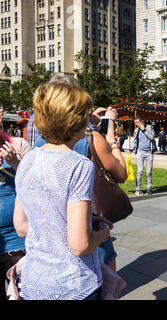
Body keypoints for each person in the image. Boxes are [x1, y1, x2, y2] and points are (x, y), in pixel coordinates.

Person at [13, 82, 112, 300]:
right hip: (73, 285)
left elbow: (21, 226)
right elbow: (80, 245)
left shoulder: (27, 159)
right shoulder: (78, 165)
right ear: (75, 120)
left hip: (33, 282)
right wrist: (103, 233)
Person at [0, 111, 31, 300]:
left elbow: (37, 185)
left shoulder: (18, 144)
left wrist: (16, 164)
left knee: (25, 295)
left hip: (17, 240)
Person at [128, 115, 156, 195]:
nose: (136, 124)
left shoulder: (150, 127)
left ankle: (148, 189)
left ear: (142, 121)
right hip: (140, 152)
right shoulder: (136, 130)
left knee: (148, 172)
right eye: (135, 123)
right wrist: (130, 149)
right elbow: (135, 141)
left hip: (149, 152)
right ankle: (138, 189)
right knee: (140, 171)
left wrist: (144, 130)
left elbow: (152, 137)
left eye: (137, 122)